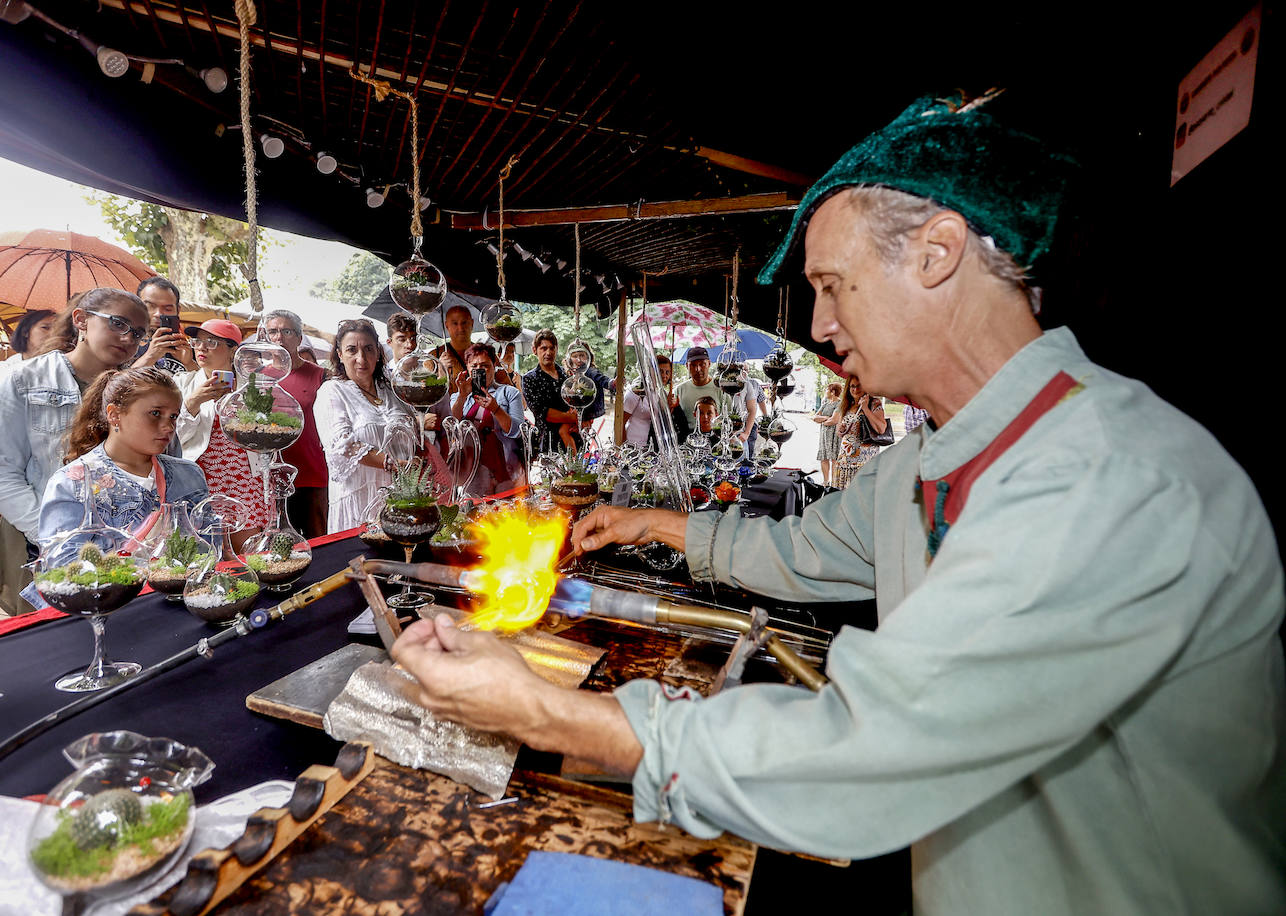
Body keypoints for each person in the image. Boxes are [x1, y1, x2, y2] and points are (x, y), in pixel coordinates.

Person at [389, 92, 1286, 915]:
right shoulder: (925, 463)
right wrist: (656, 522)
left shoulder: (1110, 478)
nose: (816, 326)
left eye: (831, 285)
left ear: (936, 254)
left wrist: (543, 712)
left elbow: (874, 746)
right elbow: (800, 552)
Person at [0, 287, 149, 614]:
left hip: (125, 548)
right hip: (42, 547)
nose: (128, 338)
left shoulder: (137, 391)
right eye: (118, 323)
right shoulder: (24, 381)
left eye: (138, 332)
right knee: (52, 647)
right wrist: (50, 534)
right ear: (81, 320)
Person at [38, 367, 208, 544]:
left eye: (173, 416)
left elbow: (209, 549)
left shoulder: (189, 476)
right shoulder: (73, 483)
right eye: (155, 413)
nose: (169, 427)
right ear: (114, 415)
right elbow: (62, 562)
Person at [313, 319, 418, 533]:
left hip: (401, 499)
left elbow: (412, 430)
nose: (361, 358)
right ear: (340, 355)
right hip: (359, 503)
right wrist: (393, 463)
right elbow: (343, 446)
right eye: (352, 350)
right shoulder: (332, 391)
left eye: (368, 349)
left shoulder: (391, 390)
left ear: (378, 353)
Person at [174, 319, 269, 548]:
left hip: (243, 475)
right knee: (212, 550)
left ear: (233, 349)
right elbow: (173, 438)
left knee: (249, 550)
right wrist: (193, 402)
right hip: (203, 478)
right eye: (197, 341)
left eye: (212, 342)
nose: (202, 348)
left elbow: (269, 437)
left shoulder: (252, 388)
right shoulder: (182, 384)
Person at [264, 309, 329, 538]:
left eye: (286, 331)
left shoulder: (321, 375)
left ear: (299, 338)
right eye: (273, 331)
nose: (279, 337)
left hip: (312, 473)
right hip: (272, 477)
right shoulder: (259, 378)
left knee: (318, 540)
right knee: (279, 545)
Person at [450, 342, 525, 496]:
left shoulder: (509, 393)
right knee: (475, 514)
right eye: (474, 366)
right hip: (472, 470)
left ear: (494, 366)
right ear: (467, 368)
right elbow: (451, 427)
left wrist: (496, 409)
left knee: (507, 513)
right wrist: (463, 396)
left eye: (485, 365)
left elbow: (517, 431)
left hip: (507, 467)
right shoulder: (457, 396)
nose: (479, 370)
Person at [0, 308, 56, 407]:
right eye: (45, 328)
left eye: (57, 330)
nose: (53, 334)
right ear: (25, 332)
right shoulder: (1, 370)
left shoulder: (58, 370)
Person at [521, 330, 578, 452]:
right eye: (544, 348)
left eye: (552, 348)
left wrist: (578, 418)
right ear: (535, 350)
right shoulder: (529, 379)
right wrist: (572, 418)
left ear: (557, 349)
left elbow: (578, 403)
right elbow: (542, 412)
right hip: (548, 443)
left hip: (574, 438)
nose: (548, 352)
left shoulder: (567, 374)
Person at [828, 375, 887, 489]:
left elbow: (881, 428)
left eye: (859, 386)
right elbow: (840, 434)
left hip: (863, 465)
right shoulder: (846, 404)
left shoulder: (874, 403)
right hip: (844, 462)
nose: (855, 389)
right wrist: (841, 430)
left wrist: (865, 408)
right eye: (852, 386)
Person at [130, 276, 194, 372]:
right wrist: (150, 357)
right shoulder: (124, 345)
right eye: (150, 306)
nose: (158, 314)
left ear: (178, 310)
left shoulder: (191, 349)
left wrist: (189, 364)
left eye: (167, 309)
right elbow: (117, 385)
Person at [564, 340, 616, 432]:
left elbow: (601, 379)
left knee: (582, 434)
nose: (578, 359)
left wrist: (612, 383)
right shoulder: (567, 372)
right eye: (575, 356)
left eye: (581, 355)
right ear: (569, 358)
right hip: (570, 412)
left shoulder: (590, 371)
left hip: (586, 412)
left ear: (588, 356)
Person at [674, 347, 724, 423]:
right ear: (687, 366)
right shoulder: (679, 390)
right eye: (693, 365)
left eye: (702, 364)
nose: (698, 369)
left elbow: (728, 418)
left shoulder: (721, 388)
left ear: (709, 364)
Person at [811, 381, 844, 484]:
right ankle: (826, 482)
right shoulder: (825, 403)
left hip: (835, 436)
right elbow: (815, 417)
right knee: (823, 458)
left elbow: (834, 420)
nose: (825, 392)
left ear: (833, 392)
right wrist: (827, 418)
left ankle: (834, 483)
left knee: (834, 459)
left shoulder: (840, 404)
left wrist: (824, 420)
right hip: (824, 435)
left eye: (827, 390)